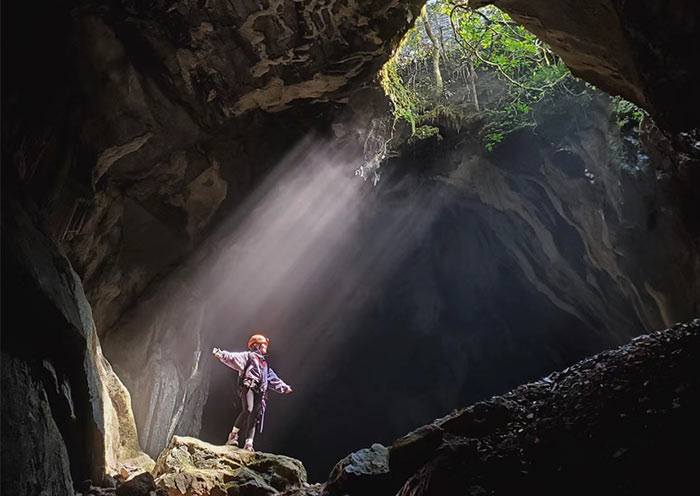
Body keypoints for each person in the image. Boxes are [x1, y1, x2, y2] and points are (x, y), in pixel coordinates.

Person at [212, 334, 292, 451]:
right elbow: (233, 358)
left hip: (260, 391)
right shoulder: (248, 356)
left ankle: (249, 444)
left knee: (254, 417)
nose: (265, 346)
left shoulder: (265, 364)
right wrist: (221, 354)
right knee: (248, 410)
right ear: (256, 345)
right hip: (249, 386)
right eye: (263, 344)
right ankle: (233, 435)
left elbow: (272, 378)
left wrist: (284, 387)